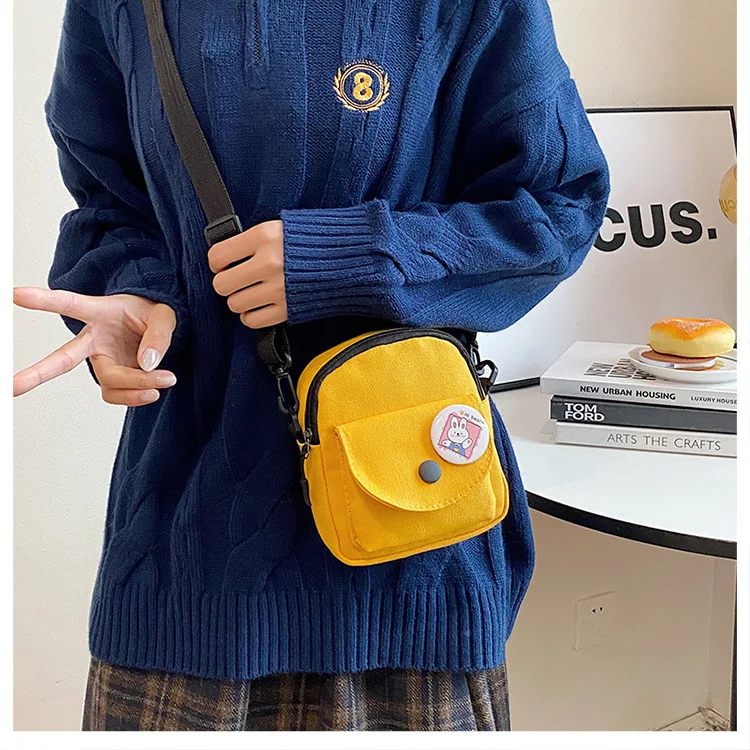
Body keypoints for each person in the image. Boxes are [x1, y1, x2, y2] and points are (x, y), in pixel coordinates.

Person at [14, 0, 609, 732]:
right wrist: (133, 291)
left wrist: (344, 258)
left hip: (412, 555)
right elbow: (108, 203)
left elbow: (560, 207)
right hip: (189, 560)